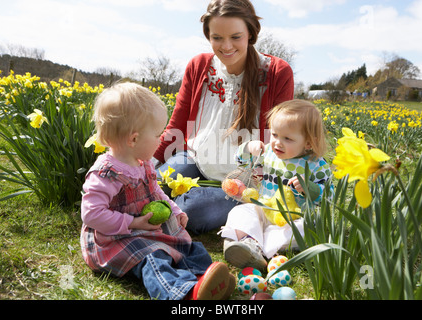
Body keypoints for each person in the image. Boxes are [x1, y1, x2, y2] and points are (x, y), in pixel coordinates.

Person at [80, 82, 235, 300]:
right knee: (154, 258)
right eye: (156, 134)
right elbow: (91, 214)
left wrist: (174, 209)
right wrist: (132, 223)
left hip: (145, 228)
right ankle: (183, 295)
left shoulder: (143, 163)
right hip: (117, 238)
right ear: (134, 139)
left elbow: (156, 193)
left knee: (190, 246)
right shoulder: (107, 173)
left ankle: (208, 281)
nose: (161, 139)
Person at [154, 0, 295, 235]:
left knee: (190, 211)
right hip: (195, 159)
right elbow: (177, 124)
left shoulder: (277, 72)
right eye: (217, 37)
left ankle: (218, 205)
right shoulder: (199, 66)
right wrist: (146, 165)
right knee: (150, 187)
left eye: (236, 37)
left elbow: (281, 136)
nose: (226, 46)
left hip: (246, 178)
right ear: (208, 35)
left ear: (251, 33)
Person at [220, 100, 334, 270]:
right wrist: (248, 148)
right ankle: (251, 245)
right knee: (241, 211)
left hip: (293, 218)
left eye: (287, 138)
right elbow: (241, 162)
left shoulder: (317, 165)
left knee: (305, 228)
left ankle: (254, 245)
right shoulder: (269, 154)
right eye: (274, 135)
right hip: (265, 209)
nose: (277, 143)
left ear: (309, 143)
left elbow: (330, 196)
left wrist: (309, 188)